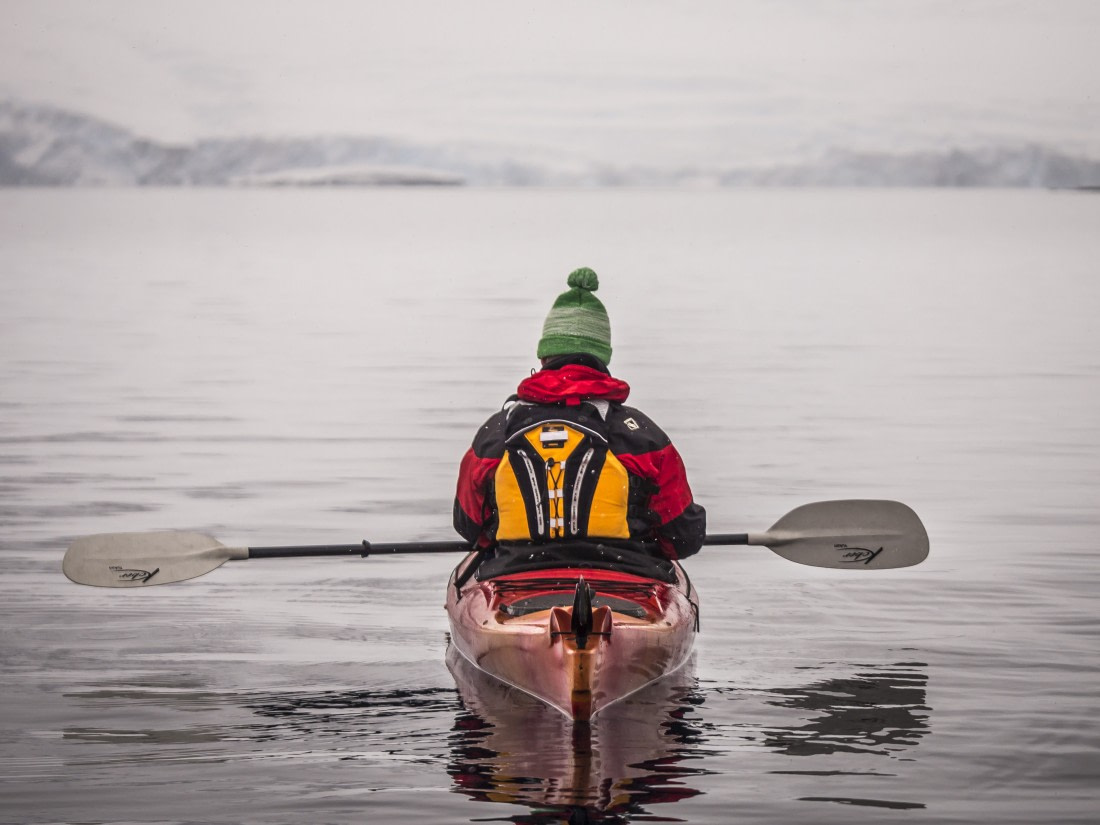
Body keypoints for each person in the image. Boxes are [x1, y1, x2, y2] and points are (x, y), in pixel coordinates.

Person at [453, 267, 706, 581]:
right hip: (627, 581)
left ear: (545, 357)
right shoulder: (643, 436)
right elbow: (683, 536)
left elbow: (469, 526)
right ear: (602, 359)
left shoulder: (496, 434)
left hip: (516, 578)